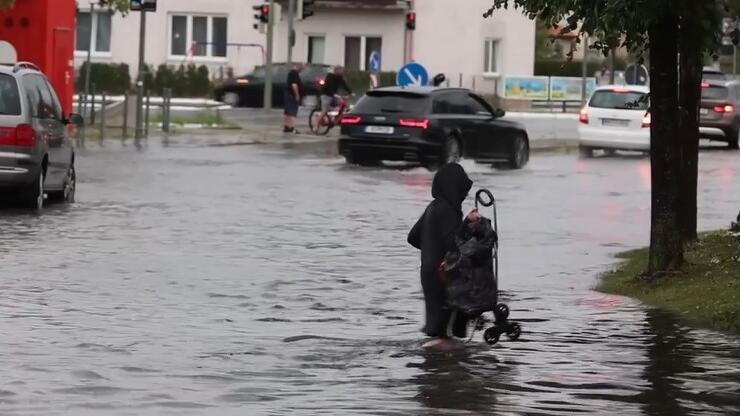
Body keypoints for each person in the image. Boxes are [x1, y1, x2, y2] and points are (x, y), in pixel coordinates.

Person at [407, 163, 481, 350]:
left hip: (428, 272)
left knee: (437, 324)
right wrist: (467, 225)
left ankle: (432, 365)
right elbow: (454, 243)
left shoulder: (433, 207)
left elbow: (413, 237)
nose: (463, 196)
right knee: (446, 330)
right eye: (462, 191)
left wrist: (430, 249)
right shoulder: (448, 210)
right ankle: (441, 365)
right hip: (443, 275)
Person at [283, 62, 305, 133]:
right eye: (302, 69)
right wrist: (297, 95)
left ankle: (286, 126)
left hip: (288, 94)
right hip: (291, 95)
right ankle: (292, 128)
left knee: (287, 111)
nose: (302, 70)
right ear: (298, 66)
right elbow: (294, 85)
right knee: (292, 111)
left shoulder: (291, 73)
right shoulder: (294, 74)